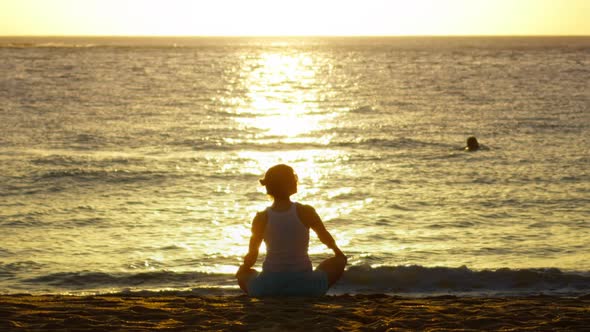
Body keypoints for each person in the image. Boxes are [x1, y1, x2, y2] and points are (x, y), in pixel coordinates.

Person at [236, 164, 347, 297]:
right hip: (306, 288)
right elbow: (325, 237)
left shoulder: (261, 217)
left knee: (244, 274)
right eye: (293, 178)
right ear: (288, 184)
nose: (296, 180)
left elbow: (252, 256)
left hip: (269, 289)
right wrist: (339, 253)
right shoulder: (306, 211)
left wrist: (242, 270)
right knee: (339, 261)